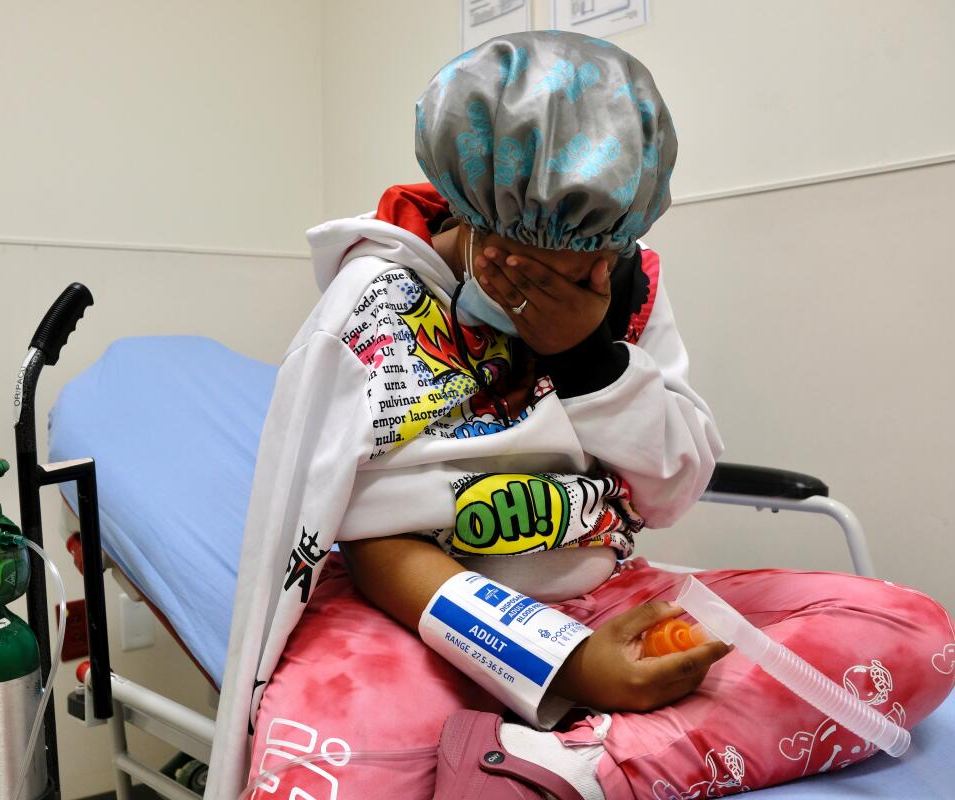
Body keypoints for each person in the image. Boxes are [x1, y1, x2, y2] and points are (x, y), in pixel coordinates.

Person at [210, 31, 955, 800]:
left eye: (616, 249)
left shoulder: (618, 288)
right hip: (418, 612)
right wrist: (566, 662)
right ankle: (555, 734)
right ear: (488, 232)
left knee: (914, 639)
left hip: (605, 589)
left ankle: (575, 769)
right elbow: (375, 551)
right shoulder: (379, 309)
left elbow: (667, 492)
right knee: (320, 776)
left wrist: (585, 359)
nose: (604, 275)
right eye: (579, 261)